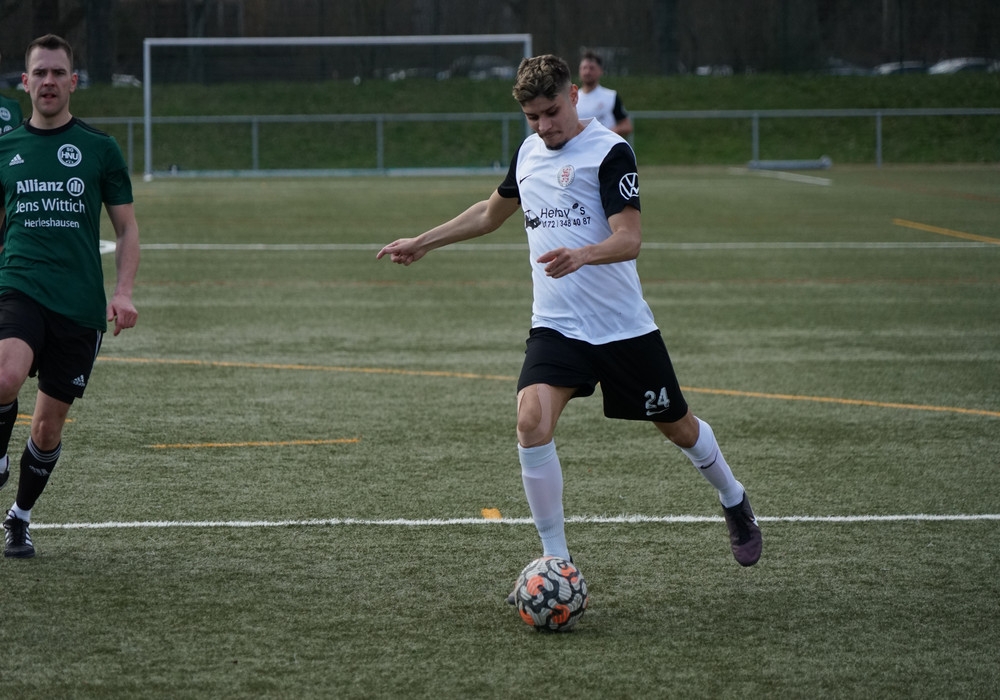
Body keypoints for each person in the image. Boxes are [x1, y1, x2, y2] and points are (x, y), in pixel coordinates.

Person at [377, 55, 761, 597]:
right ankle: (556, 559)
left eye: (551, 112)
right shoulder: (528, 154)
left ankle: (733, 498)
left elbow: (629, 238)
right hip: (557, 327)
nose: (544, 126)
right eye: (532, 117)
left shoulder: (609, 151)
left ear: (573, 96)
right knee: (531, 421)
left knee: (679, 428)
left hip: (622, 328)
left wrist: (583, 255)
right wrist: (423, 242)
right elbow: (489, 214)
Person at [0, 34, 140, 558]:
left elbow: (126, 229)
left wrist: (123, 292)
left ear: (73, 82)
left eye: (58, 72)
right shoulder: (5, 149)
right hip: (19, 285)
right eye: (40, 72)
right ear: (25, 82)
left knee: (47, 427)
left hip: (79, 306)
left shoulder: (100, 148)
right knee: (5, 375)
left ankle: (20, 517)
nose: (49, 81)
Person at [576, 50, 633, 137]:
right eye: (584, 68)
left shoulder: (611, 96)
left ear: (600, 71)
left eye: (592, 68)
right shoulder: (573, 98)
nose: (587, 72)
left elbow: (627, 126)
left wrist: (608, 133)